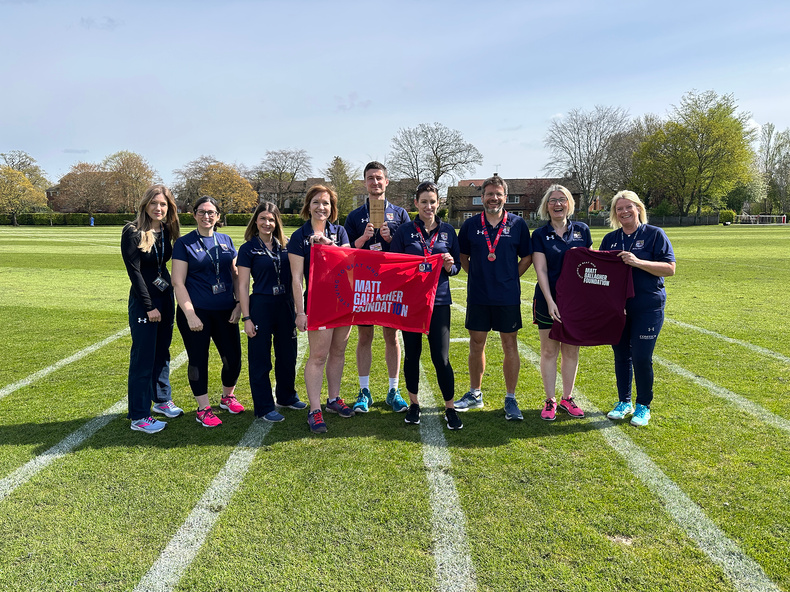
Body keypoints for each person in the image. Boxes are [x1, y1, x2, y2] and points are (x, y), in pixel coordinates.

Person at [455, 174, 533, 420]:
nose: (494, 198)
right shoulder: (470, 225)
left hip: (507, 296)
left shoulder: (518, 224)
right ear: (482, 197)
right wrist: (477, 276)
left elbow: (527, 257)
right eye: (489, 194)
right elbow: (462, 257)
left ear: (505, 197)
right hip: (479, 295)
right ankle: (475, 394)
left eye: (498, 194)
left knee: (510, 345)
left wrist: (510, 277)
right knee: (477, 344)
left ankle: (510, 398)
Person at [390, 181, 464, 430]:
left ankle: (450, 408)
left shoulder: (448, 232)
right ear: (416, 204)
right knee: (412, 355)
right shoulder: (404, 232)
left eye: (432, 201)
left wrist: (449, 265)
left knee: (441, 358)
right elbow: (394, 266)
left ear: (438, 203)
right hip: (411, 302)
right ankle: (414, 404)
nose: (428, 206)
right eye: (424, 202)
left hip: (439, 301)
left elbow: (455, 269)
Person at [600, 190, 676, 427]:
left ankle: (643, 406)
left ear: (638, 208)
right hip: (618, 309)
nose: (624, 212)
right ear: (615, 213)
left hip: (648, 306)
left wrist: (637, 262)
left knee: (642, 357)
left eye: (628, 207)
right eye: (619, 208)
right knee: (621, 355)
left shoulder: (655, 235)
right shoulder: (610, 239)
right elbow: (601, 273)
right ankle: (624, 402)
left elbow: (670, 268)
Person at [344, 161, 411, 414]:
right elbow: (345, 254)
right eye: (370, 178)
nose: (375, 182)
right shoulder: (354, 216)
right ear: (365, 182)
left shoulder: (401, 214)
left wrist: (390, 240)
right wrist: (362, 238)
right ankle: (364, 390)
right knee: (365, 337)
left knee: (392, 336)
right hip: (364, 284)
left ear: (387, 182)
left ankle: (394, 390)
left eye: (379, 178)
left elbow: (406, 252)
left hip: (391, 283)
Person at [172, 196, 244, 428]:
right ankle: (203, 409)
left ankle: (227, 397)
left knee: (233, 359)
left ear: (218, 216)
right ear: (194, 215)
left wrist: (239, 304)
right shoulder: (184, 244)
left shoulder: (226, 240)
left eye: (211, 212)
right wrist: (190, 314)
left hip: (226, 311)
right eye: (201, 212)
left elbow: (235, 275)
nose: (206, 216)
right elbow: (178, 282)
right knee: (198, 360)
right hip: (196, 312)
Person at [289, 185, 353, 433]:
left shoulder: (340, 231)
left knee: (338, 352)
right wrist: (300, 311)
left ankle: (333, 399)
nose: (321, 207)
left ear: (332, 208)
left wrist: (328, 245)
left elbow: (350, 262)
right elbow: (296, 279)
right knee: (318, 355)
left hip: (343, 302)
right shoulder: (299, 236)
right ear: (308, 206)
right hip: (318, 303)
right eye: (316, 202)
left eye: (326, 203)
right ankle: (314, 409)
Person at [121, 184, 182, 433]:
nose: (159, 208)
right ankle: (138, 415)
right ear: (145, 204)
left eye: (164, 204)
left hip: (166, 299)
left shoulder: (167, 230)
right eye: (155, 203)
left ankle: (161, 400)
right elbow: (134, 273)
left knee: (162, 352)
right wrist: (149, 307)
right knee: (143, 357)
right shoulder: (133, 231)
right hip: (145, 303)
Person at [237, 202, 305, 423]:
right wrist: (247, 318)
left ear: (277, 223)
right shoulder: (248, 249)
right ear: (255, 221)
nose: (267, 223)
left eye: (272, 219)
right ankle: (264, 406)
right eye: (263, 219)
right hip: (261, 305)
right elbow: (243, 285)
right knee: (260, 359)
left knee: (287, 354)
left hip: (285, 304)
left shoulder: (286, 246)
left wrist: (298, 309)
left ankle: (286, 396)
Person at [531, 184, 592, 421]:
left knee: (571, 350)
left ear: (569, 204)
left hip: (575, 303)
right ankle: (550, 400)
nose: (558, 204)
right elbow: (541, 271)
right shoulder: (539, 234)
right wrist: (550, 301)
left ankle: (567, 398)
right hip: (548, 300)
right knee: (548, 351)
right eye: (553, 200)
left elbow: (590, 265)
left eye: (562, 200)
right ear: (546, 206)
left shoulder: (583, 231)